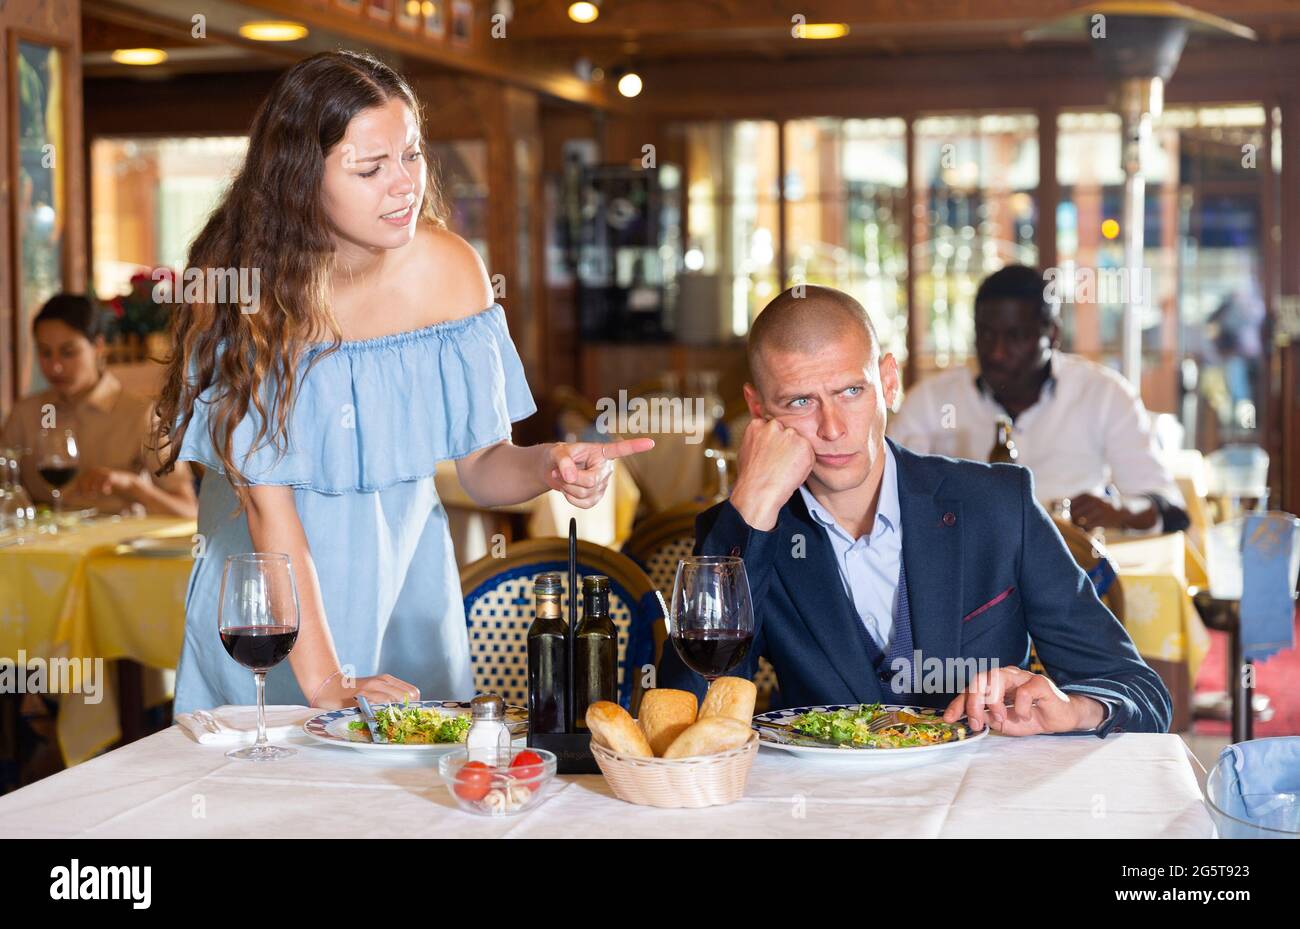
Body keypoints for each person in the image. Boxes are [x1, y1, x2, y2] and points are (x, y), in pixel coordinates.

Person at [156, 51, 650, 714]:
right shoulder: (244, 295)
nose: (404, 185)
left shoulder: (450, 271)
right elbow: (269, 513)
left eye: (411, 155)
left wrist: (548, 464)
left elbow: (481, 466)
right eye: (370, 167)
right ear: (300, 180)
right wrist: (329, 682)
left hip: (406, 599)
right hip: (271, 616)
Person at [657, 285, 1170, 736]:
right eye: (799, 402)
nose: (833, 428)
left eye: (851, 391)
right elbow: (687, 725)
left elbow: (1139, 691)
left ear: (888, 382)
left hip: (978, 811)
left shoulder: (999, 506)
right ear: (758, 409)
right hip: (822, 815)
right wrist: (753, 504)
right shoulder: (743, 528)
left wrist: (1074, 710)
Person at [888, 264, 1189, 534]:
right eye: (987, 335)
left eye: (1015, 337)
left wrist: (1119, 511)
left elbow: (1170, 510)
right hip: (965, 573)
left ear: (1052, 334)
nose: (997, 353)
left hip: (1074, 570)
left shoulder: (1102, 395)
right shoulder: (933, 401)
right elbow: (888, 494)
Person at [1, 294, 196, 517]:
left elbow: (188, 509)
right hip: (39, 547)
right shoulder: (25, 414)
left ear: (98, 346)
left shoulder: (139, 414)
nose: (55, 367)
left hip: (117, 547)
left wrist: (132, 486)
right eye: (45, 353)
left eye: (68, 352)